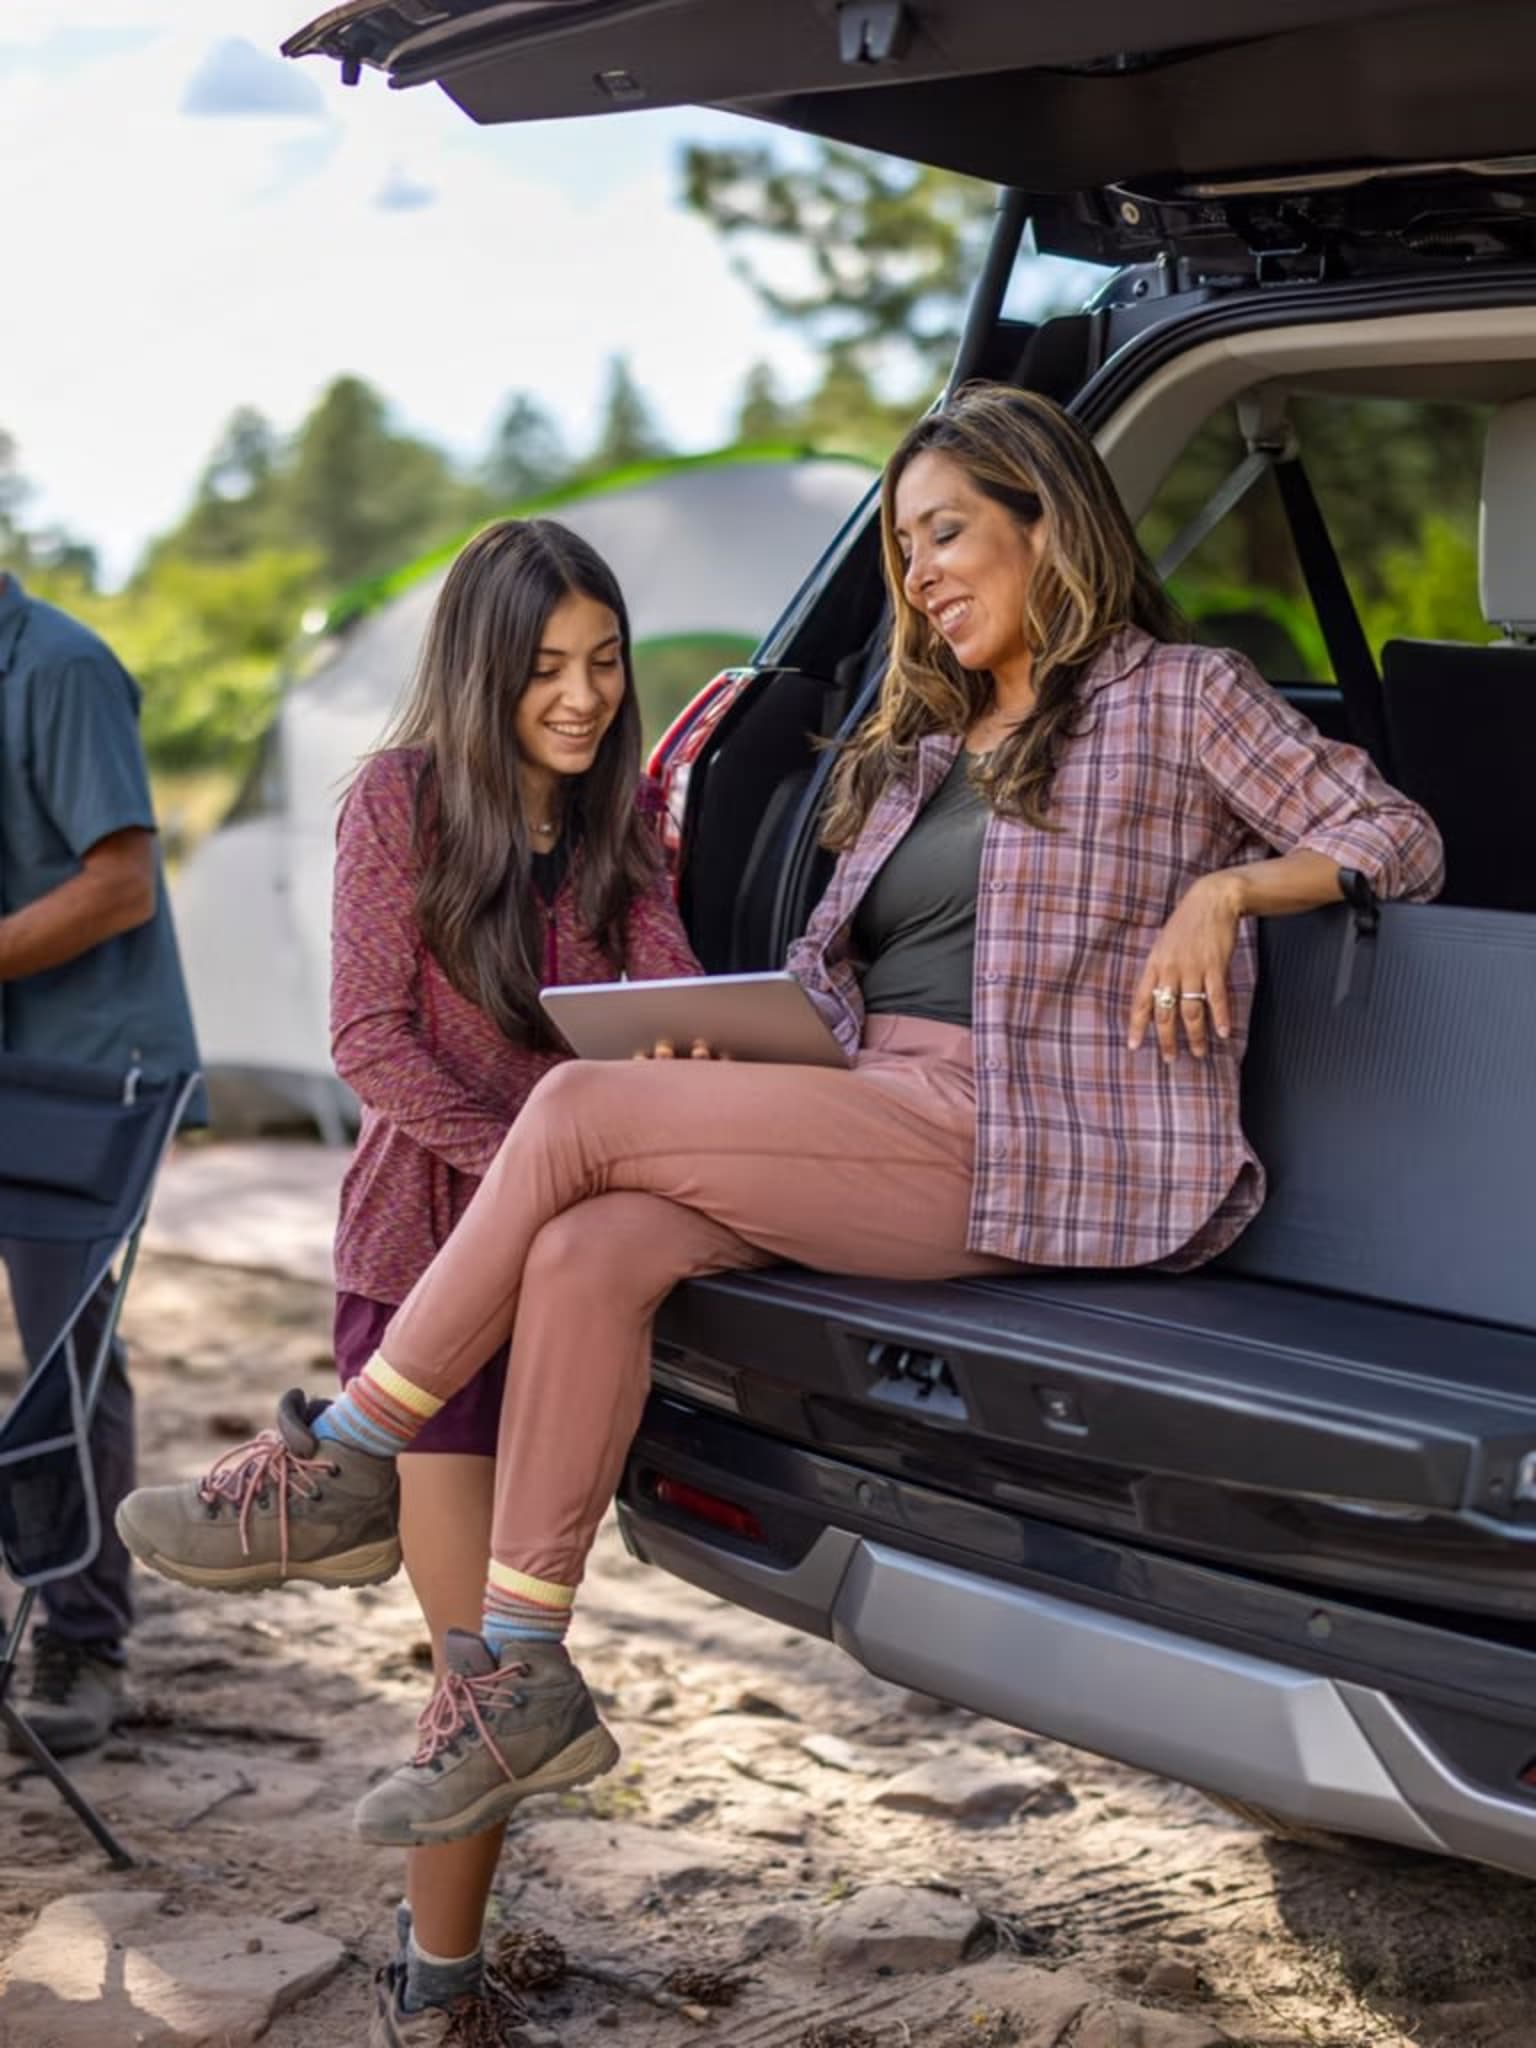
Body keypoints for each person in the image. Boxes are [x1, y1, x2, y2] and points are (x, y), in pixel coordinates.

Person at [118, 385, 1444, 1861]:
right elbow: (833, 970)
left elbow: (1396, 834)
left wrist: (1228, 892)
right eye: (902, 547)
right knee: (596, 1247)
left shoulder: (1182, 697)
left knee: (571, 1108)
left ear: (1046, 522)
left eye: (947, 532)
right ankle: (526, 1670)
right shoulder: (926, 744)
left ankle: (350, 1448)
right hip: (871, 1099)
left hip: (1029, 1134)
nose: (922, 571)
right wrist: (731, 1038)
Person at [136, 519, 699, 2043]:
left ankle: (433, 1954)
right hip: (419, 1275)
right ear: (480, 672)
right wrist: (545, 1153)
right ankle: (436, 1987)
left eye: (602, 665)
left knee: (520, 1671)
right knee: (477, 1679)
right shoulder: (397, 802)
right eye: (543, 674)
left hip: (576, 1294)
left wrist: (656, 1091)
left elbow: (665, 1019)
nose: (581, 700)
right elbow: (368, 1041)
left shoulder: (625, 829)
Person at [0, 571, 203, 1757]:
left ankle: (83, 1634)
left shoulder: (63, 666)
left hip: (86, 1074)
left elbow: (120, 883)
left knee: (61, 1360)